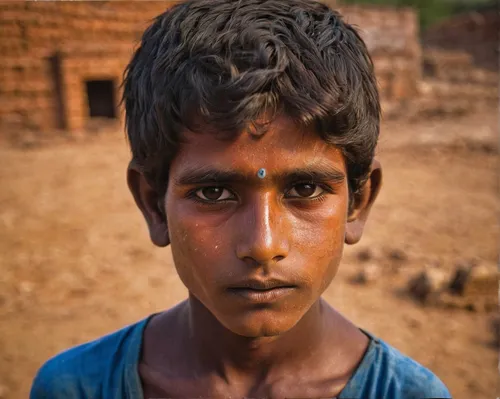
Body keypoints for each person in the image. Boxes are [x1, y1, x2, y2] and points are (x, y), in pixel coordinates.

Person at [30, 0, 452, 398]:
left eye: (304, 190)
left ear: (358, 202)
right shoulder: (73, 388)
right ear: (153, 204)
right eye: (214, 193)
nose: (263, 244)